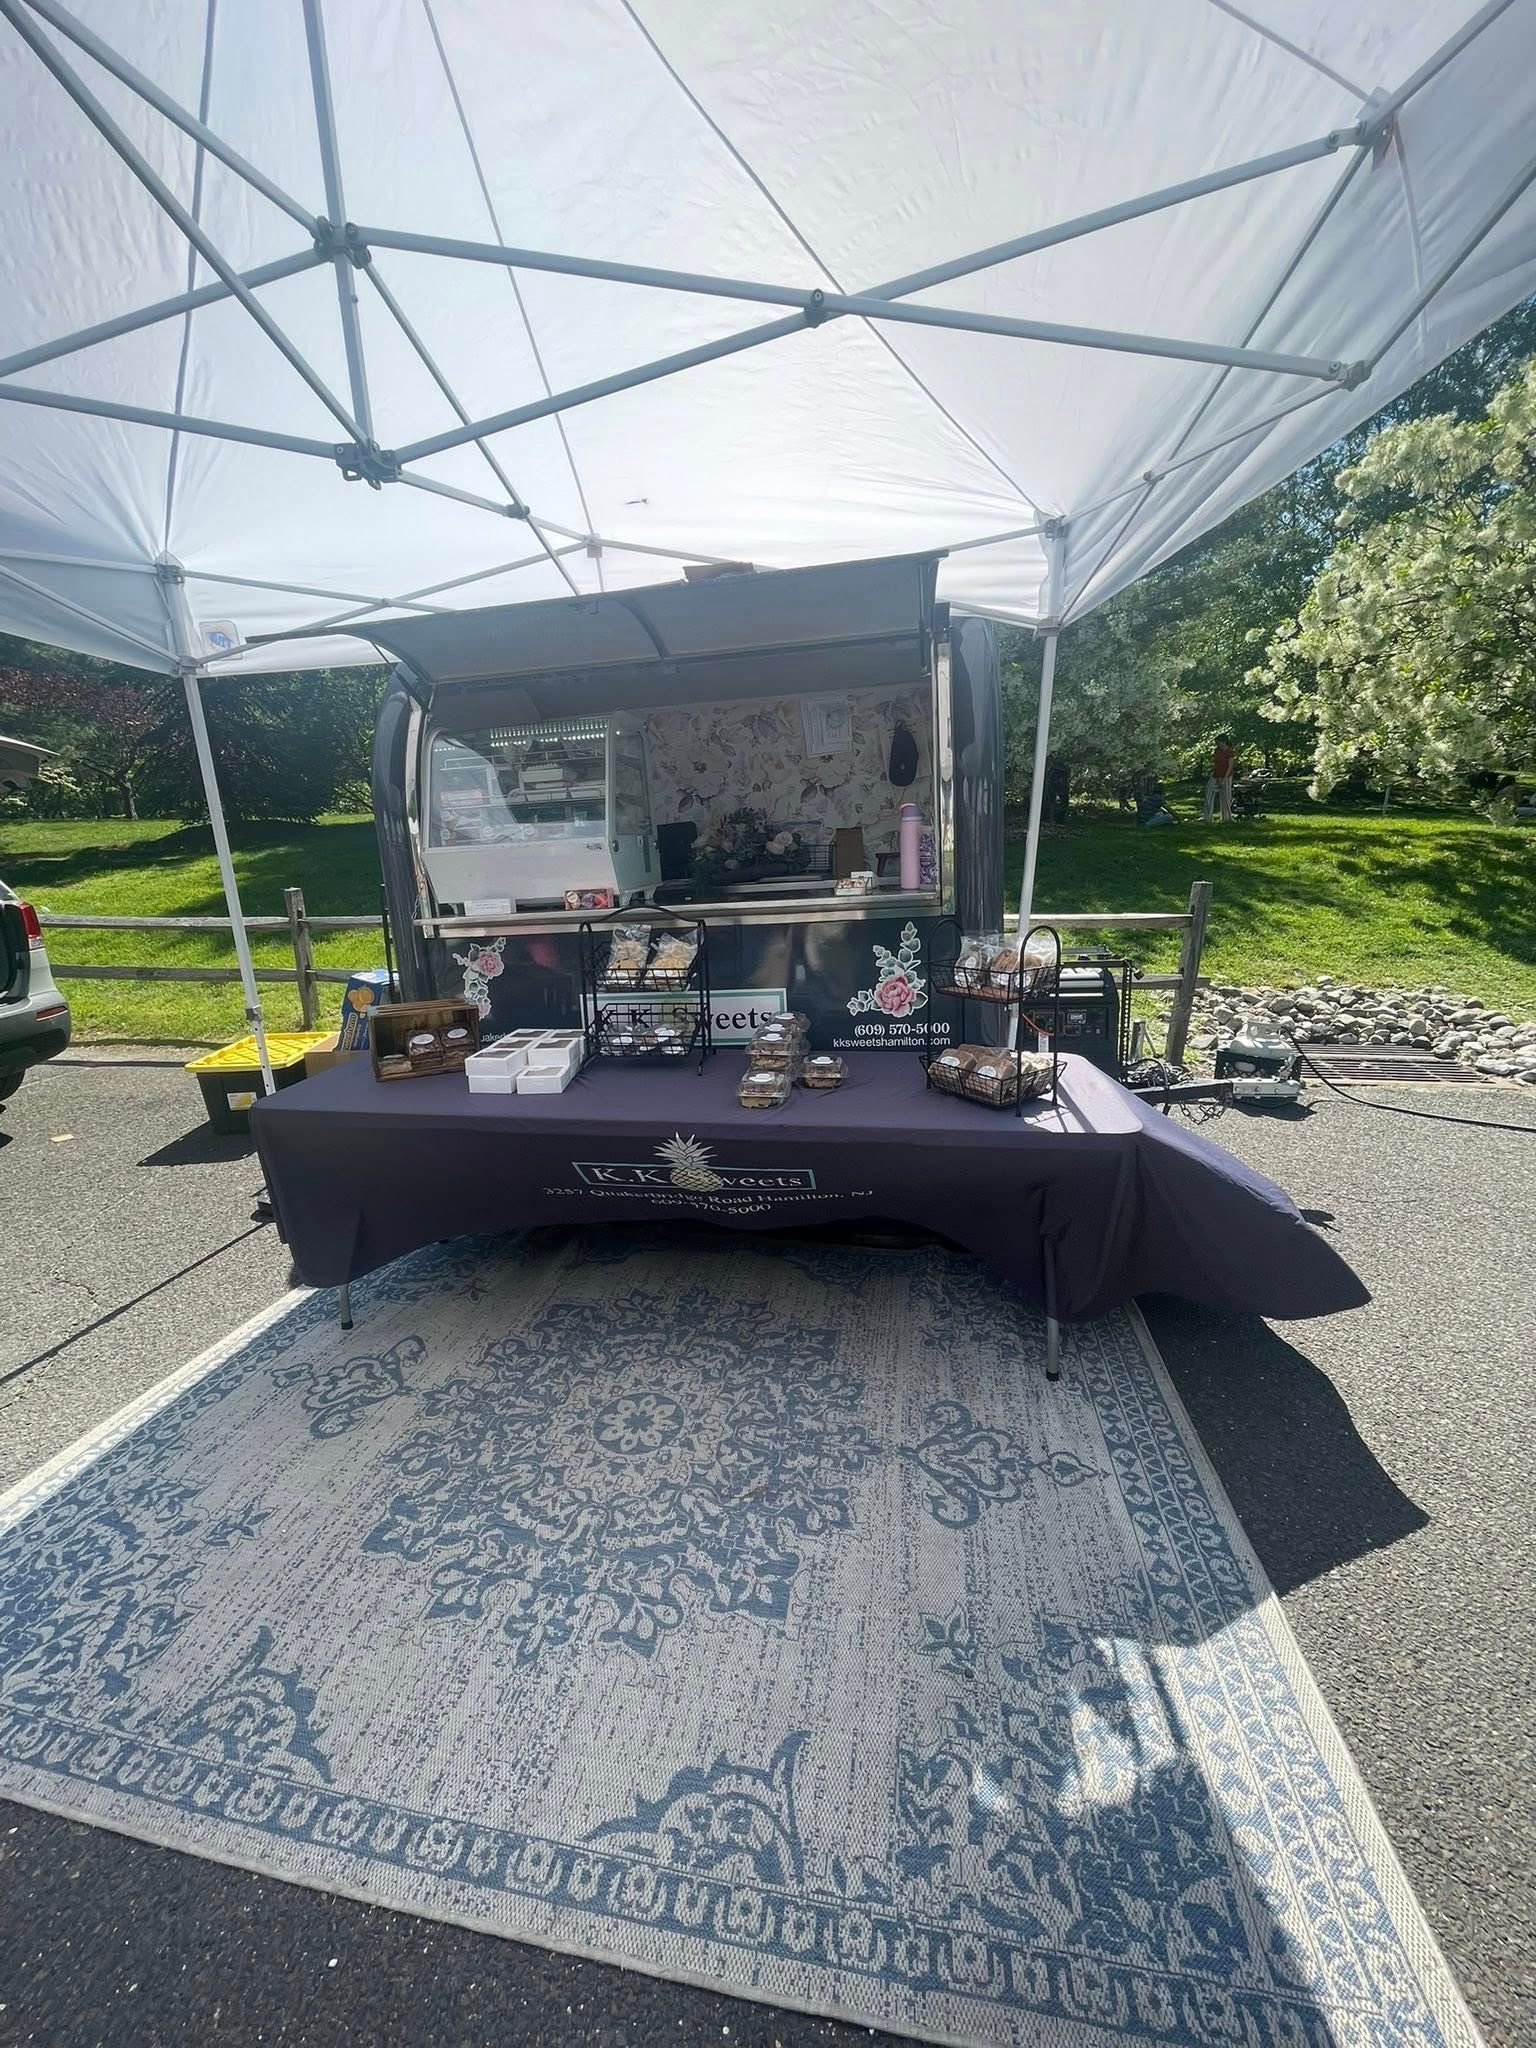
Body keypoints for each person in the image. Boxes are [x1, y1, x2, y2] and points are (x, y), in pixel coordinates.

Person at [1203, 733, 1236, 822]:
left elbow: (1230, 767)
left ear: (1224, 742)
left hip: (1226, 776)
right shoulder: (1217, 750)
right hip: (1216, 775)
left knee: (1226, 797)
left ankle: (1227, 818)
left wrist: (1224, 780)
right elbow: (1216, 763)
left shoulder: (1230, 751)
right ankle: (1207, 817)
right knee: (1208, 793)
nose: (1217, 745)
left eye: (1219, 743)